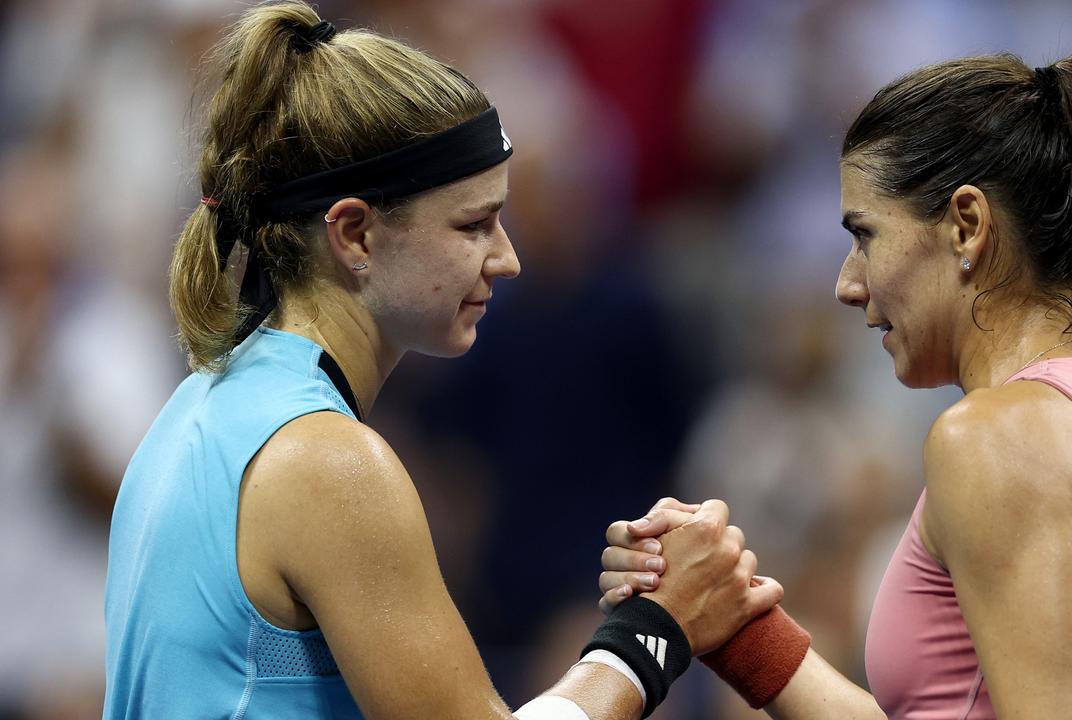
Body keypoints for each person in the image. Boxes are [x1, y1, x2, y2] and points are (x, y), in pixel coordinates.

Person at [102, 3, 784, 719]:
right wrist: (657, 629)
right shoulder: (325, 464)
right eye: (473, 225)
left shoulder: (198, 411)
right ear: (356, 235)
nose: (508, 259)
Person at [599, 54, 1072, 719]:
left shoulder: (998, 440)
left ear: (967, 224)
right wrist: (738, 628)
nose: (847, 285)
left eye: (865, 236)